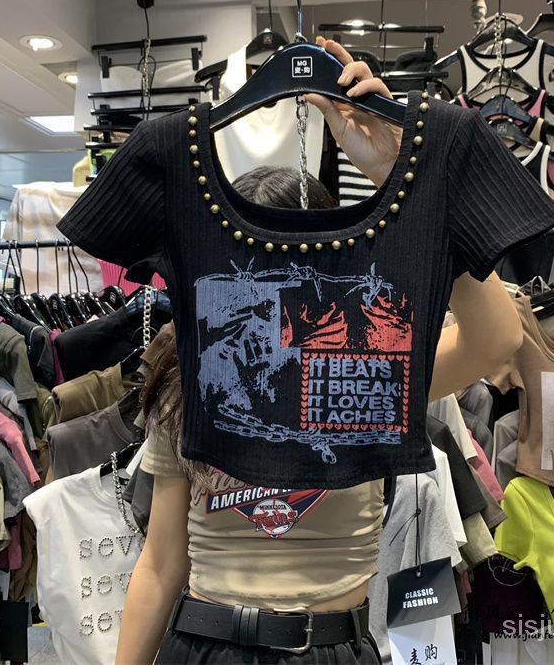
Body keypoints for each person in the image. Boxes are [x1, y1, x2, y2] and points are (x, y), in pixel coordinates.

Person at [115, 38, 530, 664]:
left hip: (331, 646)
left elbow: (498, 338)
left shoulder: (368, 370)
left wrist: (399, 177)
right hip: (203, 643)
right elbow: (161, 563)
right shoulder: (197, 378)